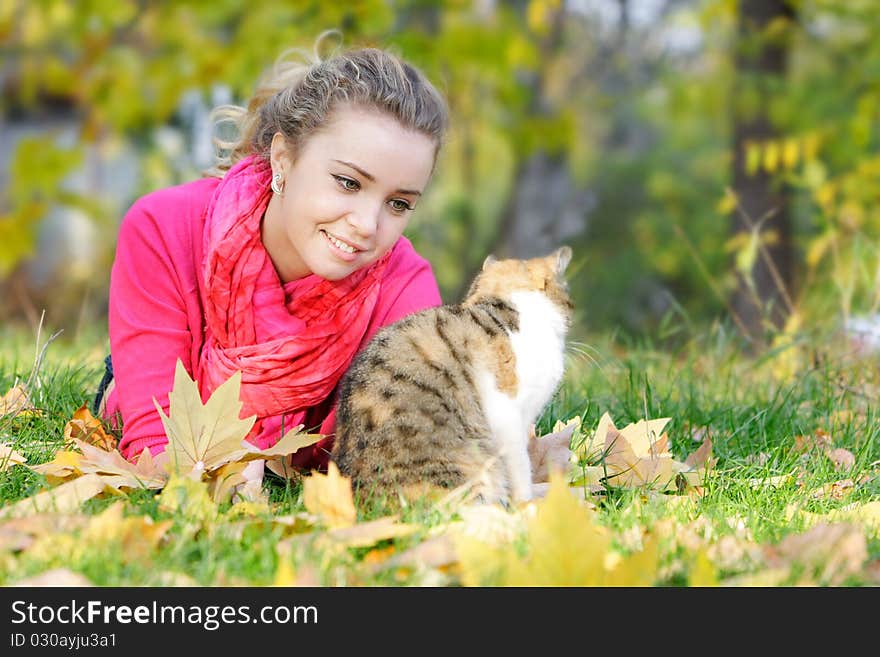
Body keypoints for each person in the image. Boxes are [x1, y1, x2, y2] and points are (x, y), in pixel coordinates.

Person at [95, 36, 449, 474]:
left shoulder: (404, 289)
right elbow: (153, 443)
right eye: (349, 183)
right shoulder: (164, 228)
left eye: (398, 204)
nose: (368, 224)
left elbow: (401, 462)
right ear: (283, 158)